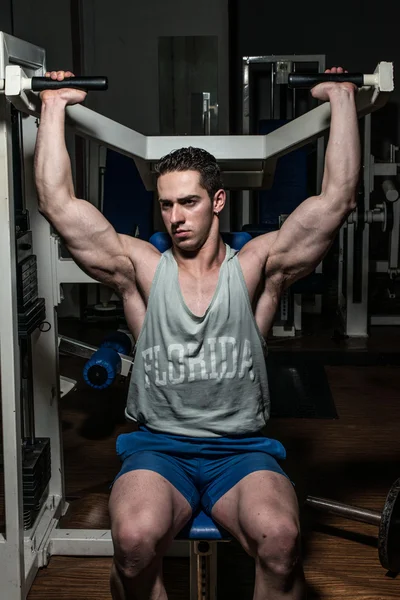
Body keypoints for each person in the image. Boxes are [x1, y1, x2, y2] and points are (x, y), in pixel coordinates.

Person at [34, 67, 360, 600]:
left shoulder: (256, 268)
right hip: (158, 450)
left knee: (280, 540)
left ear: (217, 201)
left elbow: (335, 204)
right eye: (166, 205)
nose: (175, 217)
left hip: (242, 451)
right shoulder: (140, 269)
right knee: (134, 543)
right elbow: (60, 208)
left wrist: (341, 99)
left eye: (188, 202)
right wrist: (53, 107)